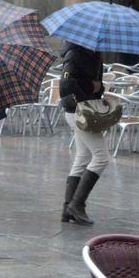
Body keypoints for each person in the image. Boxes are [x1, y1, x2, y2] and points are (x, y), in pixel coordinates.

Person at [59, 41, 108, 226]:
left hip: (87, 108)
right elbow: (65, 86)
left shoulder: (94, 53)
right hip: (77, 110)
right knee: (101, 157)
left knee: (83, 155)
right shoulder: (75, 54)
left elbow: (97, 85)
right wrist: (91, 86)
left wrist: (98, 87)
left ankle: (67, 208)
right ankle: (76, 205)